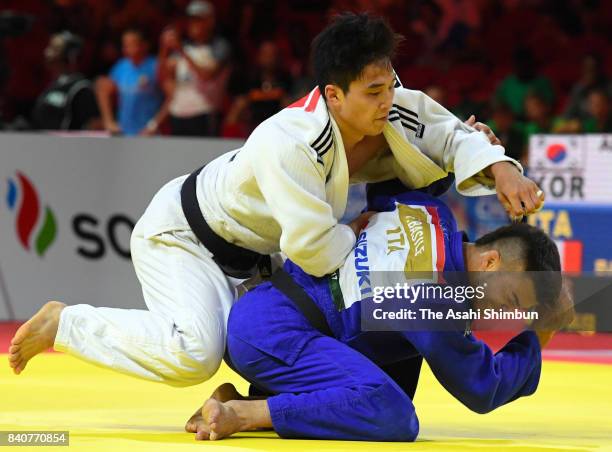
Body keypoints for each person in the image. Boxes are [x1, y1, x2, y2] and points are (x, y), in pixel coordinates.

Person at [9, 14, 544, 389]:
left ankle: (242, 405)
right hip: (187, 236)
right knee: (196, 354)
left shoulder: (393, 107)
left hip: (259, 254)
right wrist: (361, 232)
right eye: (374, 92)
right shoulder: (289, 139)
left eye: (390, 85)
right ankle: (66, 324)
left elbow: (452, 135)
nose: (389, 100)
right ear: (334, 95)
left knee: (326, 325)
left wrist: (501, 171)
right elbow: (314, 249)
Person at [187, 190, 573, 441]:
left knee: (396, 347)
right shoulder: (435, 300)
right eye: (509, 300)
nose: (501, 315)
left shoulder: (431, 211)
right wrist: (544, 330)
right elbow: (483, 387)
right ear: (490, 261)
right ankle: (245, 413)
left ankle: (251, 394)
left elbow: (385, 181)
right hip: (276, 335)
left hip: (265, 310)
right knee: (393, 414)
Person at [157, 0, 232, 136]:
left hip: (204, 114)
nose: (193, 25)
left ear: (210, 21)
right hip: (177, 114)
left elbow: (207, 75)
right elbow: (163, 77)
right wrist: (164, 49)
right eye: (191, 20)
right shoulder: (183, 47)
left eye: (198, 20)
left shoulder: (219, 46)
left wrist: (181, 50)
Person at [95, 28, 164, 136]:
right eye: (125, 45)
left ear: (144, 45)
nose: (126, 48)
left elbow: (172, 96)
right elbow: (103, 87)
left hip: (149, 134)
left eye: (131, 44)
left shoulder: (156, 66)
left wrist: (154, 125)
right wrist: (109, 121)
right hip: (125, 133)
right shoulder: (120, 67)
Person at [31, 31, 100, 131]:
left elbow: (90, 127)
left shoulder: (81, 89)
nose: (46, 52)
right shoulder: (54, 84)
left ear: (70, 56)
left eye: (54, 49)